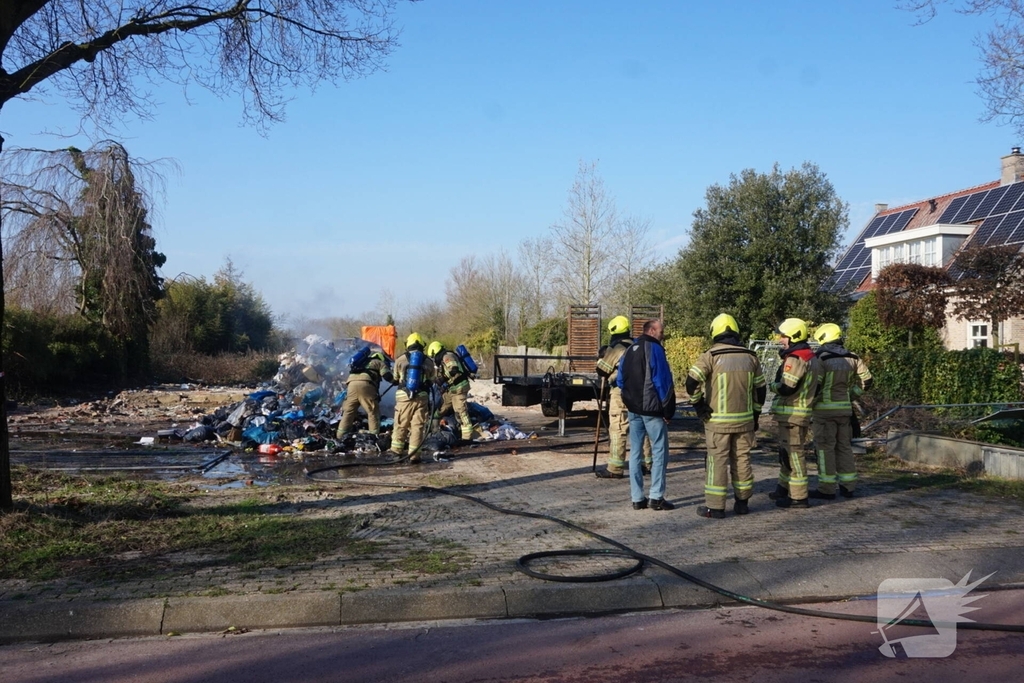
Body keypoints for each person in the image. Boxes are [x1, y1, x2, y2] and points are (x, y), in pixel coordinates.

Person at [686, 313, 766, 519]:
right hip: (745, 420)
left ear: (715, 332)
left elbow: (691, 382)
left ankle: (716, 507)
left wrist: (700, 406)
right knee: (742, 460)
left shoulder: (710, 356)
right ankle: (742, 503)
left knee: (717, 462)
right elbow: (761, 389)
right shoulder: (751, 357)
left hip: (717, 423)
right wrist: (756, 415)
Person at [809, 323, 873, 500]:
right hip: (845, 410)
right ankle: (848, 486)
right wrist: (851, 395)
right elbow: (867, 381)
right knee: (844, 447)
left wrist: (808, 405)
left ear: (823, 339)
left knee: (825, 449)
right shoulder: (853, 357)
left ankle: (827, 489)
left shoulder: (821, 357)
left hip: (823, 412)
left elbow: (817, 385)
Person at [617, 318, 676, 511]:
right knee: (659, 452)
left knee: (635, 452)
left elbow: (619, 381)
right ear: (651, 331)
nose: (663, 334)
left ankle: (637, 498)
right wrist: (668, 410)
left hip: (634, 410)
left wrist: (629, 400)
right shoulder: (655, 349)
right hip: (652, 411)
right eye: (661, 330)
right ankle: (656, 496)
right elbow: (663, 382)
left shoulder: (629, 350)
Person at [768, 318, 822, 509]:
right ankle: (783, 488)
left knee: (794, 455)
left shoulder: (796, 358)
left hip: (792, 415)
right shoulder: (810, 356)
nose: (781, 339)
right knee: (786, 453)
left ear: (793, 336)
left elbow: (786, 387)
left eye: (784, 336)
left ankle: (798, 497)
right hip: (795, 415)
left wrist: (771, 385)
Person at [595, 316, 653, 479]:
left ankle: (615, 468)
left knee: (618, 428)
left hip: (621, 392)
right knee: (641, 427)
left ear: (613, 331)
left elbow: (602, 370)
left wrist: (603, 355)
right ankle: (646, 464)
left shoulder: (617, 348)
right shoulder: (638, 345)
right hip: (641, 392)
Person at [390, 332, 437, 463]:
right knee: (418, 426)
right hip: (422, 397)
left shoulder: (400, 360)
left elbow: (395, 378)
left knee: (401, 424)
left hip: (404, 396)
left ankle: (396, 453)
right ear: (422, 345)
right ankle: (414, 456)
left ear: (408, 345)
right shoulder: (428, 361)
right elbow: (432, 380)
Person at [336, 348, 395, 439]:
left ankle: (340, 436)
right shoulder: (378, 362)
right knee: (372, 412)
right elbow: (387, 376)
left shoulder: (360, 364)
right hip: (365, 385)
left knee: (348, 412)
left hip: (351, 385)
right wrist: (395, 381)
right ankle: (373, 436)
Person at [426, 341, 475, 442]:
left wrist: (442, 379)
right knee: (441, 408)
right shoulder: (442, 359)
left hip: (459, 388)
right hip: (452, 389)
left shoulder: (447, 356)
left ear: (435, 352)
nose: (433, 359)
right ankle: (434, 430)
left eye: (433, 356)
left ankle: (467, 437)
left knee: (460, 411)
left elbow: (453, 369)